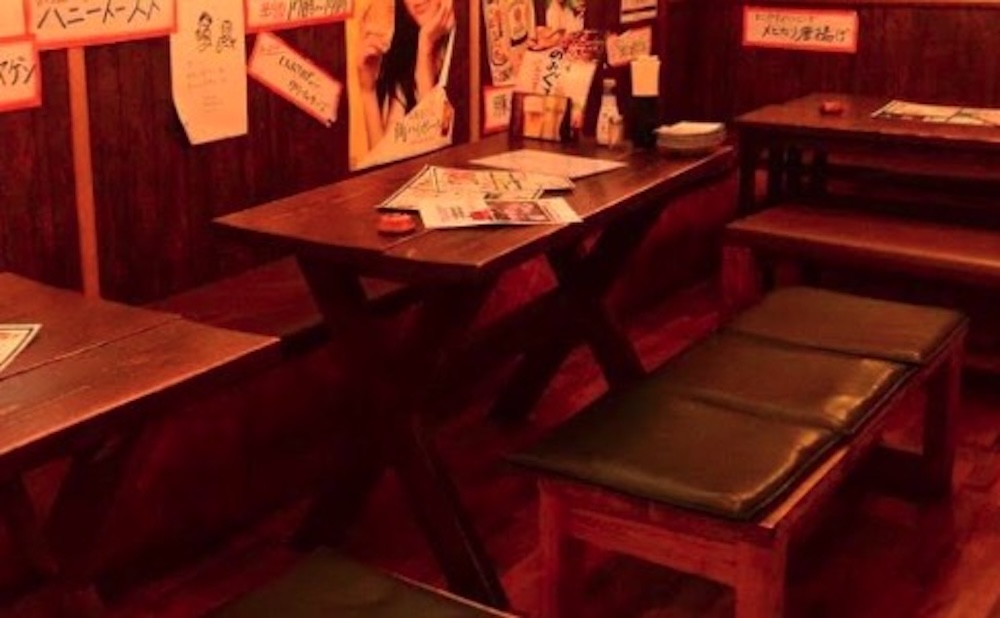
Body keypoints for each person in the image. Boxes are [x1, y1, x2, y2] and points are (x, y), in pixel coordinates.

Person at [357, 0, 455, 151]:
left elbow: (436, 154)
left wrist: (425, 47)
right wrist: (368, 91)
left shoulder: (467, 49)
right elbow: (386, 158)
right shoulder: (407, 54)